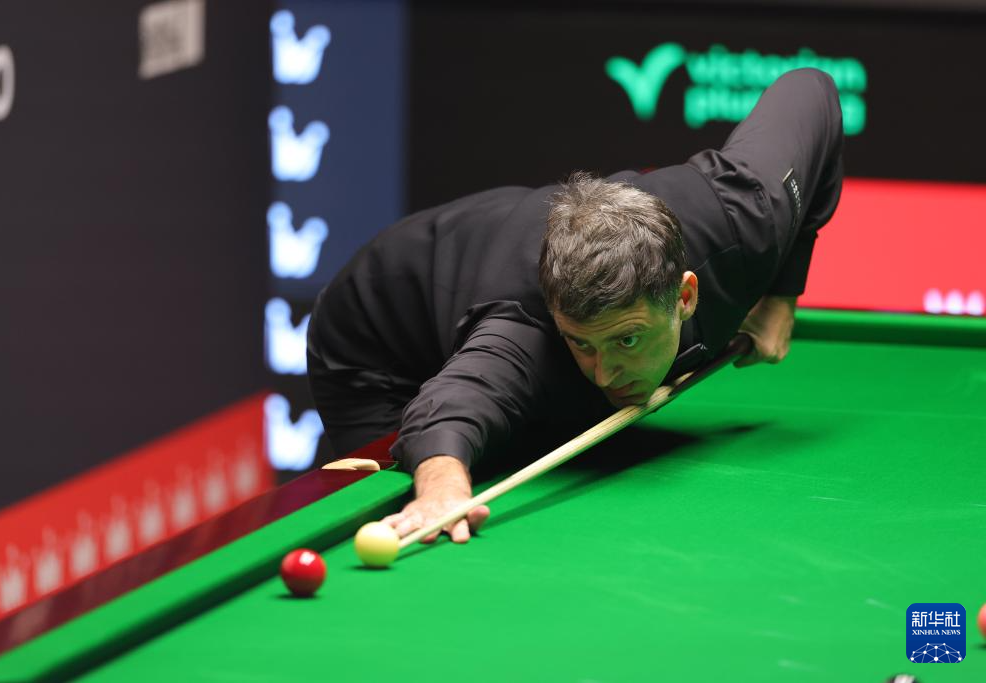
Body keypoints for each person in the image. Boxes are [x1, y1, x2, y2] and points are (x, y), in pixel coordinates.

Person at [307, 68, 844, 544]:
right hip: (378, 347)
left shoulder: (747, 214)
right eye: (582, 343)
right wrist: (442, 484)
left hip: (475, 261)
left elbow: (811, 91)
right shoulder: (526, 330)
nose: (604, 372)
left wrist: (781, 293)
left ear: (684, 296)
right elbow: (450, 405)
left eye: (627, 339)